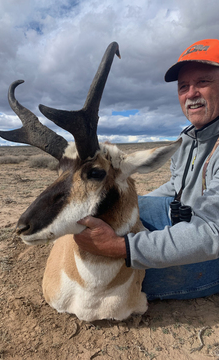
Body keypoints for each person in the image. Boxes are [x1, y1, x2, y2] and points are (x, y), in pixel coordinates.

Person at [74, 39, 219, 300]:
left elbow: (212, 232)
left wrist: (122, 247)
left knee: (115, 277)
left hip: (213, 250)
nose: (191, 93)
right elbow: (177, 187)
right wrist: (134, 204)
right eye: (183, 86)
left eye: (203, 82)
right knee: (120, 212)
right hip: (187, 220)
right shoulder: (189, 139)